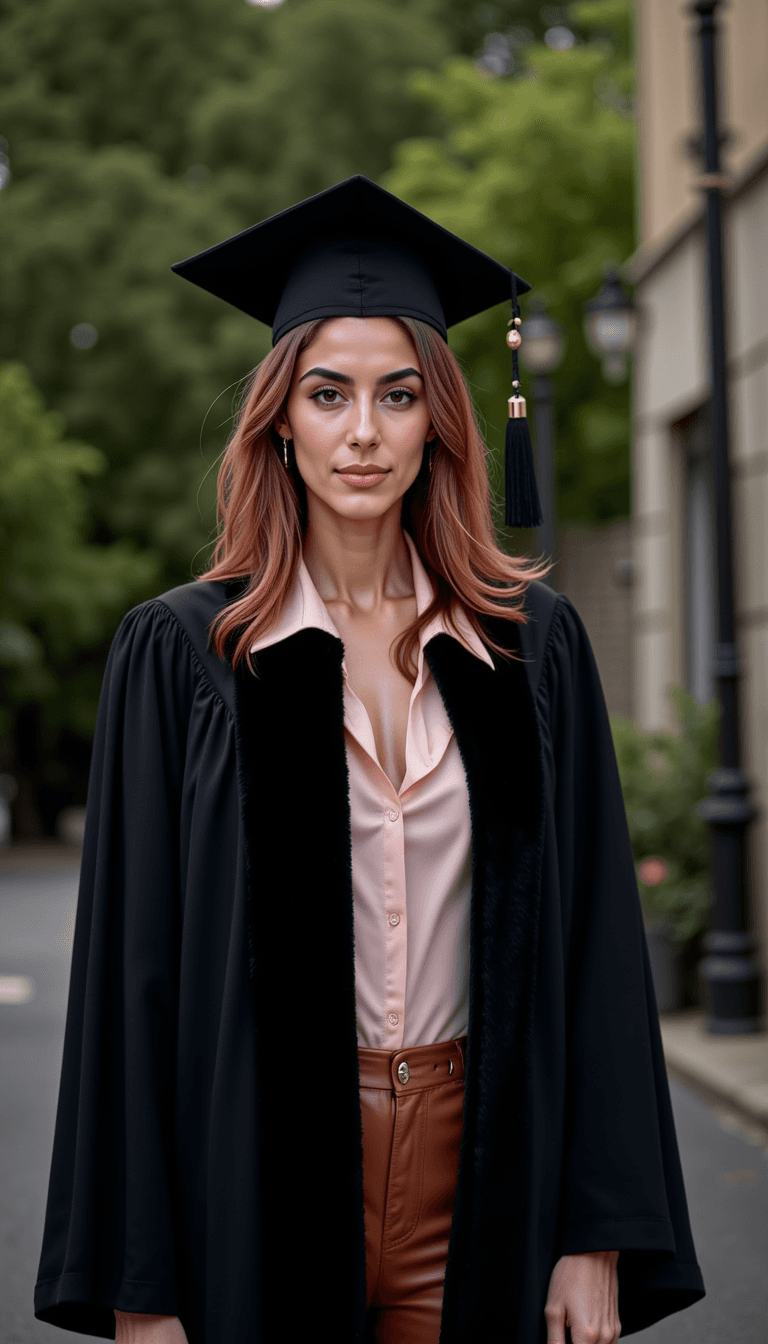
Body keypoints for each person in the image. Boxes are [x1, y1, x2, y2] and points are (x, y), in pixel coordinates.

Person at [34, 176, 705, 1344]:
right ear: (278, 420)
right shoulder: (189, 654)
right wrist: (142, 1291)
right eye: (327, 393)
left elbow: (594, 945)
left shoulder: (528, 648)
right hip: (257, 1169)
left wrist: (594, 1231)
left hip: (485, 1163)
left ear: (439, 418)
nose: (362, 432)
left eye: (397, 396)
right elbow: (132, 983)